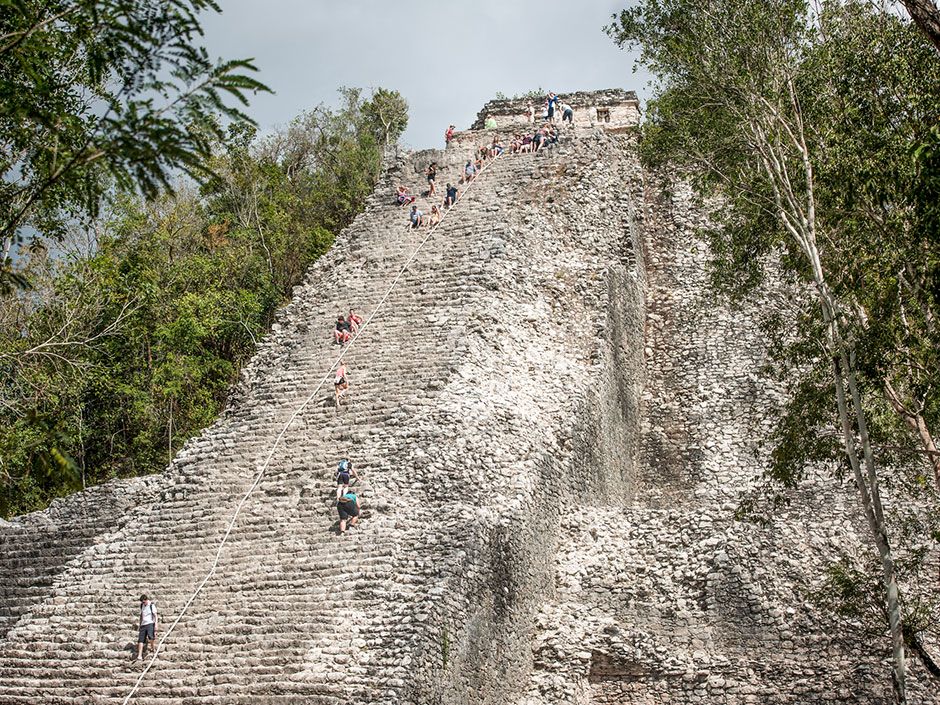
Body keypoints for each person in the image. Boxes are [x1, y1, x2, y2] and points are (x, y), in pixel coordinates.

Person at [136, 594, 158, 661]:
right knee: (140, 640)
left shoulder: (151, 605)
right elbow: (141, 615)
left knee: (151, 637)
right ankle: (139, 655)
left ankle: (152, 648)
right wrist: (140, 624)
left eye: (143, 602)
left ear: (146, 600)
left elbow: (155, 615)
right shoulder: (142, 605)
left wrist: (156, 624)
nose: (143, 603)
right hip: (143, 624)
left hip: (150, 623)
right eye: (142, 602)